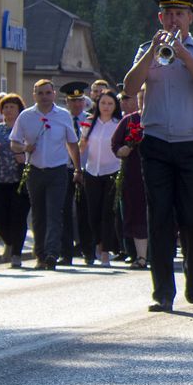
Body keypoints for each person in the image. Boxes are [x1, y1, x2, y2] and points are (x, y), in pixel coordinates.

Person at [123, 0, 193, 311]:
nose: (174, 20)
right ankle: (163, 292)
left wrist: (183, 56)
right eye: (168, 14)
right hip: (157, 144)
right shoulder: (145, 50)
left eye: (179, 13)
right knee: (160, 219)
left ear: (190, 18)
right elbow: (130, 85)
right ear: (159, 19)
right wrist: (154, 52)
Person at [9, 79, 81, 270]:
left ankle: (51, 254)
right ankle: (40, 254)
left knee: (54, 212)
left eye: (47, 93)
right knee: (38, 214)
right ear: (34, 95)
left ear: (54, 94)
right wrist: (24, 147)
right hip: (35, 170)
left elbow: (72, 144)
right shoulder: (26, 116)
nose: (44, 96)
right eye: (40, 93)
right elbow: (13, 142)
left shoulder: (63, 115)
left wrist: (78, 168)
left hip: (57, 170)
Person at [78, 90, 123, 267]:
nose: (106, 107)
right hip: (92, 172)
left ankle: (105, 252)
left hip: (112, 171)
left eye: (110, 104)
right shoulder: (89, 122)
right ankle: (96, 245)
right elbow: (82, 147)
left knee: (107, 212)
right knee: (93, 212)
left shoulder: (118, 123)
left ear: (115, 106)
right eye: (103, 103)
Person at [111, 91, 148, 269]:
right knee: (137, 214)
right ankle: (140, 256)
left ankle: (159, 254)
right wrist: (122, 149)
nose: (144, 102)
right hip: (134, 176)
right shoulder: (130, 120)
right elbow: (115, 144)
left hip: (160, 174)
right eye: (141, 99)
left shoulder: (163, 119)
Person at [0, 94, 30, 267]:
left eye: (12, 107)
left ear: (19, 109)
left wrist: (24, 155)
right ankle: (8, 241)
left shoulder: (25, 129)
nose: (8, 110)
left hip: (19, 180)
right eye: (5, 107)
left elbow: (35, 147)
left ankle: (16, 254)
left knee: (18, 217)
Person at [60, 81, 92, 265]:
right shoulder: (61, 119)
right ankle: (66, 253)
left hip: (86, 170)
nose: (77, 104)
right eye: (73, 101)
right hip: (65, 169)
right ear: (67, 102)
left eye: (80, 100)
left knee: (84, 211)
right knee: (64, 210)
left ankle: (88, 251)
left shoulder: (91, 120)